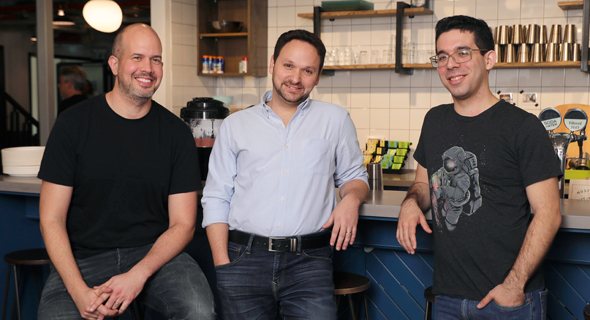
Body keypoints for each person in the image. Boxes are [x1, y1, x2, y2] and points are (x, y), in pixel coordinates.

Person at [37, 23, 215, 320]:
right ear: (115, 64)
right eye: (138, 57)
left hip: (155, 256)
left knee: (198, 310)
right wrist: (79, 292)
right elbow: (51, 218)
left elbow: (183, 224)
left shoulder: (177, 133)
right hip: (84, 257)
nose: (148, 68)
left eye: (156, 59)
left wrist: (138, 274)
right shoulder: (73, 124)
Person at [396, 15, 562, 319]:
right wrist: (409, 204)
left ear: (489, 59)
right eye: (442, 56)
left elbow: (549, 214)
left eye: (462, 53)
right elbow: (422, 185)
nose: (450, 64)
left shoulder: (522, 127)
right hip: (447, 297)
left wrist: (513, 286)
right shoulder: (434, 120)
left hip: (508, 299)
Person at [202, 29, 369, 320]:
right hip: (243, 259)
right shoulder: (235, 124)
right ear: (272, 64)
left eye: (307, 70)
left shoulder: (336, 120)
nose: (295, 78)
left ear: (317, 77)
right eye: (288, 66)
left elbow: (354, 176)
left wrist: (351, 200)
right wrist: (223, 265)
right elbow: (216, 196)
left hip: (310, 262)